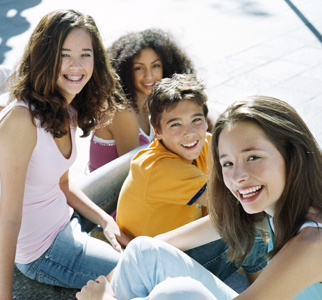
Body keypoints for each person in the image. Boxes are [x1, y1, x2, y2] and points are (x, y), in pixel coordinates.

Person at [76, 95, 322, 300]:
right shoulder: (268, 208)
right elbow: (160, 245)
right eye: (227, 163)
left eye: (253, 157)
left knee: (179, 293)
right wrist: (106, 282)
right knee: (144, 249)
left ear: (292, 152)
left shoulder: (312, 242)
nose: (237, 177)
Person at [0, 9, 130, 299]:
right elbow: (6, 218)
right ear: (44, 56)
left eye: (85, 54)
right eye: (64, 54)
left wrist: (104, 220)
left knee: (130, 168)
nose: (76, 65)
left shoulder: (66, 106)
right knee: (134, 271)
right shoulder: (21, 121)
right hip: (42, 251)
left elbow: (61, 183)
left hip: (64, 219)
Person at [88, 28, 197, 172]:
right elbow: (138, 172)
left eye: (155, 66)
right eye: (139, 68)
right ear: (124, 71)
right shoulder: (122, 112)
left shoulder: (152, 104)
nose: (149, 75)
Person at [116, 73, 210, 240]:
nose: (190, 133)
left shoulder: (204, 143)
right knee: (246, 228)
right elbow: (229, 202)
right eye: (176, 124)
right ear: (157, 131)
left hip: (179, 244)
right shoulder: (160, 167)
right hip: (152, 259)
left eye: (196, 120)